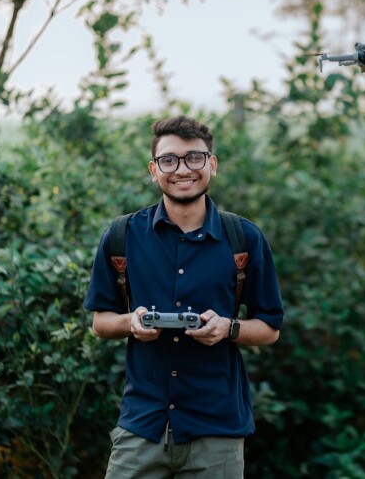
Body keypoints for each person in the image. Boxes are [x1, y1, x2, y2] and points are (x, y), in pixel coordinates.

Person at [84, 115, 284, 478]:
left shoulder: (244, 239)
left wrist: (229, 328)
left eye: (194, 157)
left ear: (212, 165)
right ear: (153, 169)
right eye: (169, 160)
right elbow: (100, 321)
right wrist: (131, 323)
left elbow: (270, 328)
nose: (182, 169)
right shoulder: (121, 236)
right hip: (142, 424)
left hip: (217, 430)